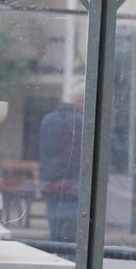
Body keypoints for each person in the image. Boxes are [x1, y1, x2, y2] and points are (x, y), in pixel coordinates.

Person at [38, 87, 83, 245]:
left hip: (50, 185)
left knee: (56, 235)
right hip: (72, 186)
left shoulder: (48, 120)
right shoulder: (83, 122)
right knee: (71, 241)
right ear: (82, 101)